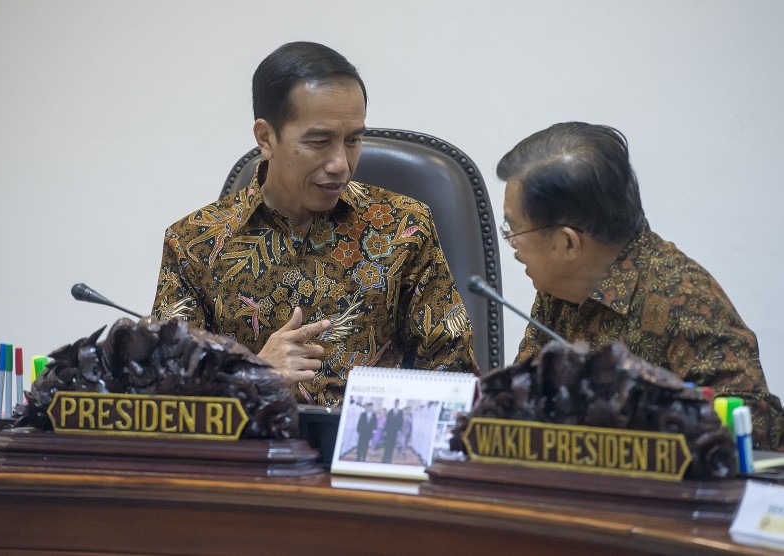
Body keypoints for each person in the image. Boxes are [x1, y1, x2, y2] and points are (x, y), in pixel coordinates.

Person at [151, 42, 477, 407]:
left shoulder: (404, 227)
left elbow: (454, 378)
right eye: (319, 141)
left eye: (353, 140)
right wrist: (253, 374)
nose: (341, 163)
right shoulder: (195, 242)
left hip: (367, 451)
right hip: (251, 455)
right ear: (265, 138)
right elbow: (165, 396)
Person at [497, 122, 784, 449]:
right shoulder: (560, 289)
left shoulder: (684, 299)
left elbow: (756, 430)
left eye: (513, 229)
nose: (511, 243)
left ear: (567, 244)